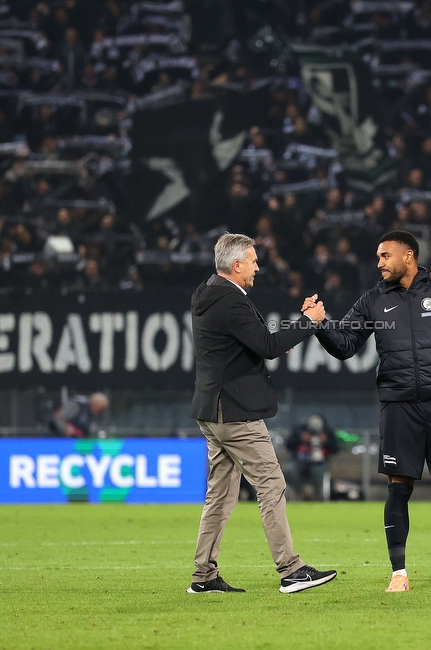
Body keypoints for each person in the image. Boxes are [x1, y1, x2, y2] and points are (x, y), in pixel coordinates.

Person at [305, 230, 431, 593]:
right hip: (399, 407)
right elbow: (346, 345)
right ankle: (399, 574)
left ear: (409, 256)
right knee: (398, 490)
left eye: (385, 256)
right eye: (378, 257)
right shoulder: (373, 300)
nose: (379, 263)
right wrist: (321, 324)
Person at [188, 232, 337, 594]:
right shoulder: (233, 301)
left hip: (211, 409)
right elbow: (267, 346)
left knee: (220, 496)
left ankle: (204, 576)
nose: (257, 267)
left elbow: (248, 342)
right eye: (253, 261)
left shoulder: (207, 293)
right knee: (271, 484)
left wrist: (285, 334)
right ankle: (291, 570)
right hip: (236, 413)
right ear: (236, 265)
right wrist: (309, 321)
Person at [285, 414, 339, 501]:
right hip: (300, 462)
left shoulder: (327, 432)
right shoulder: (299, 431)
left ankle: (318, 497)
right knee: (290, 471)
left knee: (317, 472)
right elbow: (288, 445)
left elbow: (336, 449)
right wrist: (301, 439)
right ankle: (301, 494)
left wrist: (326, 441)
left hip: (320, 463)